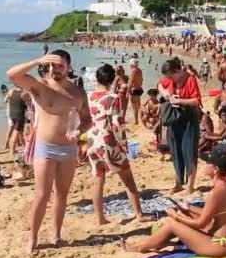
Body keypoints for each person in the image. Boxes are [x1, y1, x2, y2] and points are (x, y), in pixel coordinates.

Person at [6, 49, 92, 253]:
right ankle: (33, 238)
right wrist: (37, 60)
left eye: (60, 65)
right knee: (42, 194)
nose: (55, 69)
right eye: (52, 65)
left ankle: (56, 235)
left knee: (62, 194)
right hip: (45, 147)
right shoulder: (40, 86)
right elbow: (12, 75)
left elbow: (88, 119)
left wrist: (79, 132)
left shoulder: (78, 92)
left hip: (69, 149)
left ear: (68, 67)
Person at [124, 146, 226, 257]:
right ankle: (158, 242)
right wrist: (188, 208)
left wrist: (176, 217)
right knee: (184, 212)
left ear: (215, 169)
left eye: (207, 163)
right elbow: (210, 213)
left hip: (221, 245)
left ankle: (141, 247)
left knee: (172, 224)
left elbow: (201, 224)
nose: (204, 165)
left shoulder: (214, 193)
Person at [86, 64, 152, 225]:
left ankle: (99, 217)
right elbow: (117, 123)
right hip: (108, 140)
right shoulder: (112, 98)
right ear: (112, 79)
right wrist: (123, 144)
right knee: (128, 178)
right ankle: (138, 214)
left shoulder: (89, 96)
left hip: (92, 139)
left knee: (98, 179)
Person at [160, 58, 202, 194]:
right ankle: (178, 183)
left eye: (171, 76)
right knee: (176, 151)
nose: (169, 79)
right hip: (175, 118)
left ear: (177, 71)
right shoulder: (170, 80)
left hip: (189, 118)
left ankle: (190, 186)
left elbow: (196, 101)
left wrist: (180, 100)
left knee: (189, 151)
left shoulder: (190, 79)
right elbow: (160, 84)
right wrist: (165, 93)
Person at [5, 87, 26, 160]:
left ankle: (25, 146)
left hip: (12, 114)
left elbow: (5, 100)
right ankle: (12, 150)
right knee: (17, 132)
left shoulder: (11, 91)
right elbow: (27, 105)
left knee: (19, 131)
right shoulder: (23, 94)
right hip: (19, 115)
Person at [128, 58, 144, 125]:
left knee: (134, 107)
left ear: (132, 64)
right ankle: (141, 118)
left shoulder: (133, 71)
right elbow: (142, 79)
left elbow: (131, 82)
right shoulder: (139, 70)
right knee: (138, 105)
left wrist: (127, 92)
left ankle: (136, 121)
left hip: (134, 90)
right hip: (139, 89)